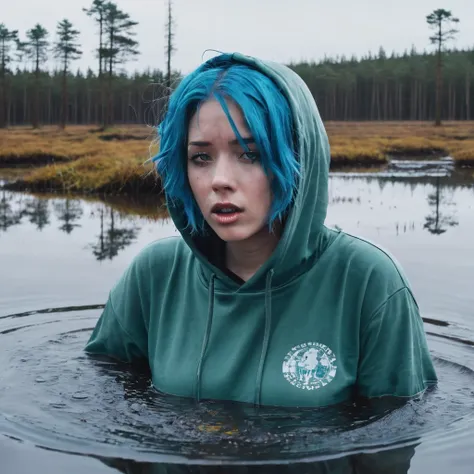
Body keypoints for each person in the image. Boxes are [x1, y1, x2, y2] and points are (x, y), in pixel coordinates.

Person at [85, 52, 437, 407]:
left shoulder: (367, 281)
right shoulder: (156, 275)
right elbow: (104, 395)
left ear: (299, 157)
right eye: (201, 157)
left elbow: (394, 435)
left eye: (250, 154)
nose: (220, 181)